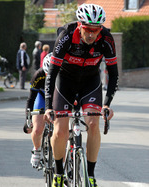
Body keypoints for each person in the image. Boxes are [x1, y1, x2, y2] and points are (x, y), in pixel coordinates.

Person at [44, 3, 119, 187]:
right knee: (60, 130)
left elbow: (114, 73)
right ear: (80, 26)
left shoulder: (106, 40)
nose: (92, 34)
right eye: (88, 30)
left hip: (90, 83)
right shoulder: (67, 36)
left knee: (93, 124)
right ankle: (59, 174)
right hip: (65, 82)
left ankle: (91, 175)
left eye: (96, 30)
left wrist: (107, 104)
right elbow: (52, 72)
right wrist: (47, 107)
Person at [23, 53, 52, 168]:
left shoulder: (64, 74)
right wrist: (28, 119)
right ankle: (36, 149)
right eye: (47, 74)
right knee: (37, 129)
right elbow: (31, 99)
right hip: (41, 96)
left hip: (56, 98)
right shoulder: (38, 75)